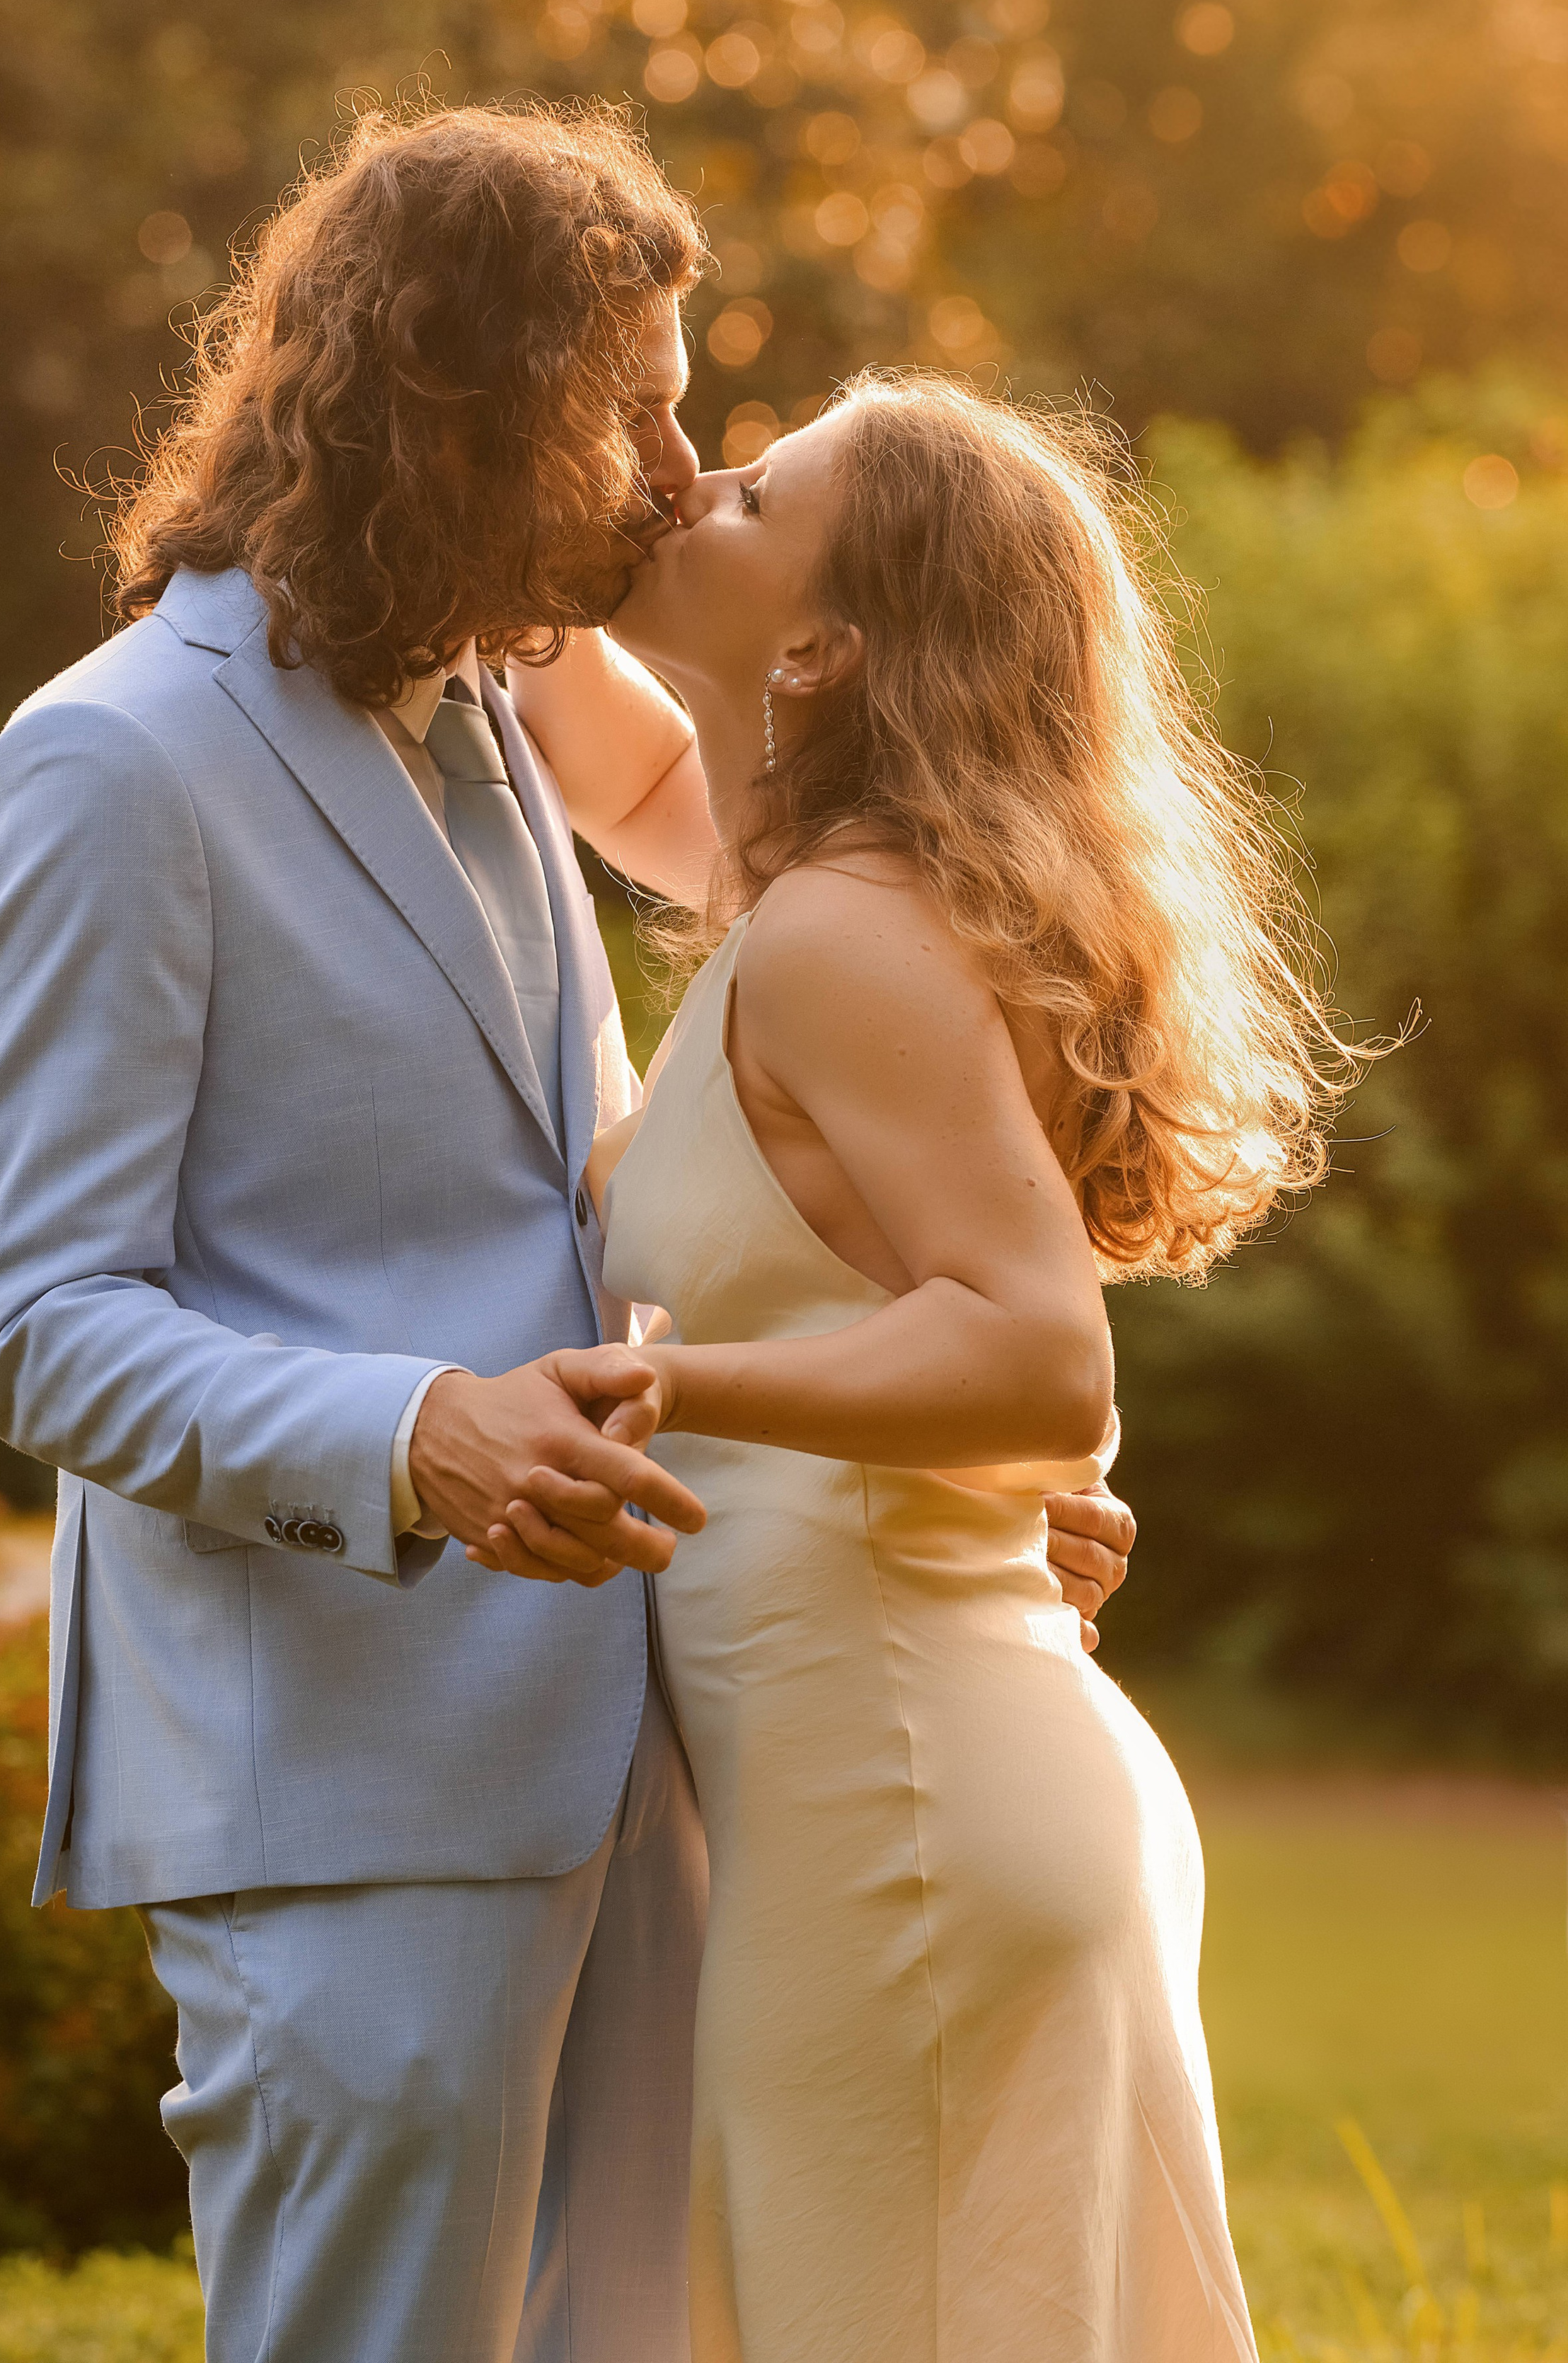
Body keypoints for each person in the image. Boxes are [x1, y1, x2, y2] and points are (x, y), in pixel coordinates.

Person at [0, 103, 1137, 2363]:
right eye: (633, 412)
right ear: (460, 407)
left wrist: (969, 1469)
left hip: (644, 1739)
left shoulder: (495, 699)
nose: (675, 476)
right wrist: (416, 1437)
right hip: (347, 1773)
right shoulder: (111, 769)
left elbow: (755, 1044)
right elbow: (39, 1318)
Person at [485, 376, 1343, 2359]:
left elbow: (1039, 1355)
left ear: (821, 646)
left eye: (752, 493)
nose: (694, 482)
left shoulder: (840, 938)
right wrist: (546, 451)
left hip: (913, 1817)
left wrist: (677, 1391)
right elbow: (590, 720)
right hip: (906, 1798)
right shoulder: (810, 897)